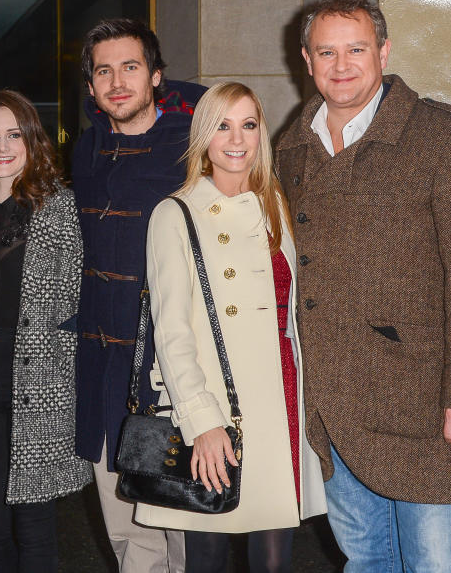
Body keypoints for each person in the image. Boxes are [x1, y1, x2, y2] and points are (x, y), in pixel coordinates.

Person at [276, 0, 451, 572]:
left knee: (434, 564)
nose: (341, 65)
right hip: (333, 403)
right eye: (326, 52)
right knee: (365, 560)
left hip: (426, 403)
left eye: (356, 48)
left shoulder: (443, 136)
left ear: (384, 50)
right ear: (306, 61)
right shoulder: (290, 148)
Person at [137, 82, 327, 573]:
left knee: (274, 559)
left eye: (248, 124)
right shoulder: (174, 214)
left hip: (282, 401)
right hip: (221, 408)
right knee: (208, 554)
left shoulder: (276, 205)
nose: (237, 138)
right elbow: (171, 333)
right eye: (222, 125)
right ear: (203, 135)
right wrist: (202, 422)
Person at [71, 17, 204, 573]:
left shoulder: (195, 149)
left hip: (169, 368)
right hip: (104, 368)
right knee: (126, 527)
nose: (117, 81)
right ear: (91, 85)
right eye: (104, 70)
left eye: (130, 67)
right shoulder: (85, 150)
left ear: (156, 76)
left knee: (184, 525)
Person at [0, 90, 92, 572]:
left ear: (31, 141)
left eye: (13, 135)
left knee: (34, 526)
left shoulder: (61, 209)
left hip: (39, 381)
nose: (2, 147)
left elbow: (75, 300)